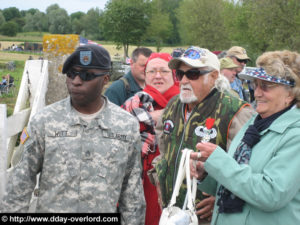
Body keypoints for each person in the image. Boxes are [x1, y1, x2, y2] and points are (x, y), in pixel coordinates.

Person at [0, 44, 146, 224]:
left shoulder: (126, 125)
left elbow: (132, 195)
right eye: (71, 74)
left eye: (87, 76)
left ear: (106, 79)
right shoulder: (45, 121)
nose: (76, 81)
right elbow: (19, 186)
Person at [190, 50, 300, 225]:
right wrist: (206, 173)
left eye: (266, 86)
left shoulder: (295, 135)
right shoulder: (254, 124)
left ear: (291, 93)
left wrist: (219, 162)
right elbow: (236, 184)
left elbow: (271, 194)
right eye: (255, 85)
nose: (256, 93)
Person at [154, 46, 254, 224]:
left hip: (208, 217)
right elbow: (163, 151)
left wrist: (220, 198)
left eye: (192, 74)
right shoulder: (173, 105)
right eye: (180, 74)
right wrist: (158, 177)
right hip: (172, 211)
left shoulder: (235, 111)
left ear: (214, 76)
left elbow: (246, 169)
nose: (184, 80)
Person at [122, 53, 180, 225]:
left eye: (164, 71)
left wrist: (162, 115)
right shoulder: (132, 104)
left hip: (176, 177)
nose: (157, 76)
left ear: (174, 75)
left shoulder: (189, 104)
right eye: (152, 71)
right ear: (145, 75)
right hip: (142, 181)